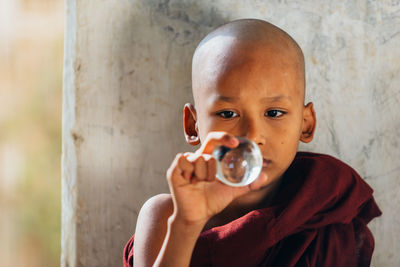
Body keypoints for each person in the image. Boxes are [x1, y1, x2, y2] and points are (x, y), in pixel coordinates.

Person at [123, 19, 381, 267]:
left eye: (274, 113)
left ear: (306, 124)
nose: (252, 135)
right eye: (227, 114)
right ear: (193, 126)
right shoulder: (167, 215)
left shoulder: (323, 211)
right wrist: (187, 224)